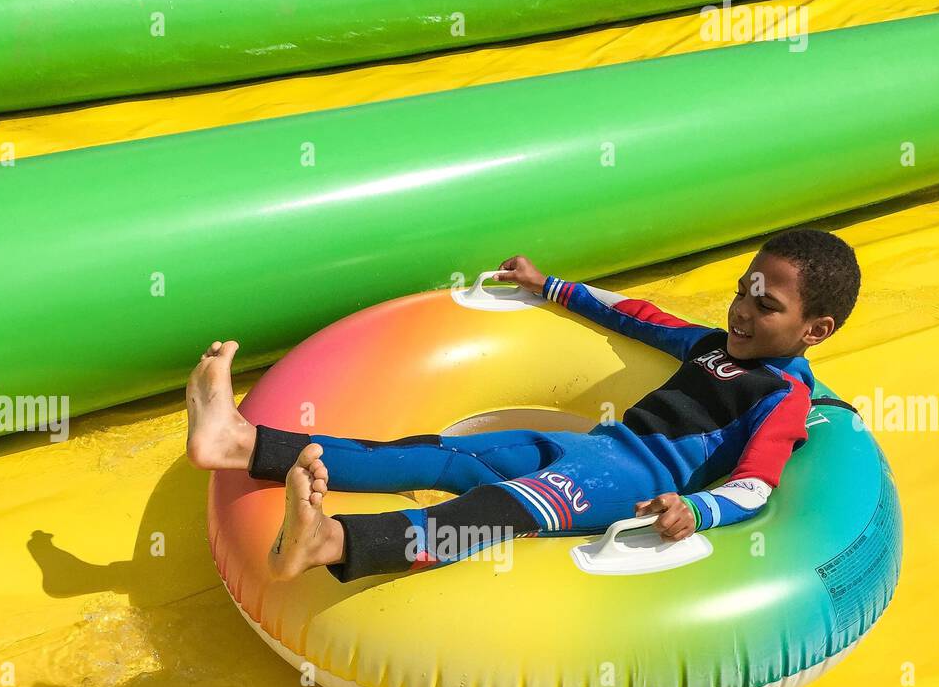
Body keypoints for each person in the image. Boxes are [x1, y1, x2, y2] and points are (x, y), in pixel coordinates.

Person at [186, 227, 860, 582]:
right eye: (744, 289)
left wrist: (695, 507)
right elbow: (635, 315)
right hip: (594, 448)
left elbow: (755, 487)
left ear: (814, 330)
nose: (742, 309)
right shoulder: (711, 344)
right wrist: (550, 286)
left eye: (765, 306)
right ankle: (240, 444)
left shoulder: (782, 395)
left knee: (497, 512)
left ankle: (333, 542)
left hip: (628, 487)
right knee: (440, 455)